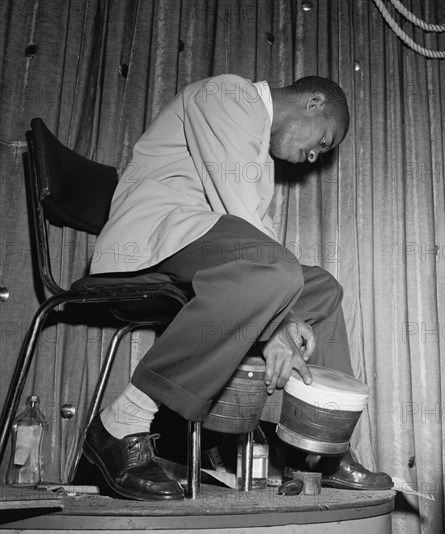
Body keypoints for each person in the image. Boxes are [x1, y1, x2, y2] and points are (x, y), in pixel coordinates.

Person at [80, 73, 393, 500]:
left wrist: (283, 312)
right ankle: (120, 424)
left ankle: (320, 453)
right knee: (276, 272)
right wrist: (278, 324)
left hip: (198, 245)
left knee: (321, 287)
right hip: (152, 239)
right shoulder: (229, 94)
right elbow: (249, 232)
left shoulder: (257, 149)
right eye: (324, 141)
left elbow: (257, 243)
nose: (315, 157)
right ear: (314, 103)